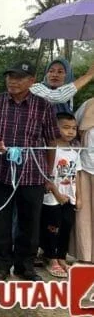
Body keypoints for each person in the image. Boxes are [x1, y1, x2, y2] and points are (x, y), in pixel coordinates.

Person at [0, 61, 58, 282]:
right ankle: (1, 266)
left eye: (19, 77)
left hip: (32, 174)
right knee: (0, 222)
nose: (13, 81)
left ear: (31, 81)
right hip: (0, 172)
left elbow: (51, 142)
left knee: (30, 222)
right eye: (10, 76)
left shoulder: (43, 106)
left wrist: (48, 174)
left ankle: (25, 266)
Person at [40, 112, 78, 278]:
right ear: (55, 129)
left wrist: (79, 196)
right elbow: (47, 176)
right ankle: (50, 257)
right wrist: (57, 194)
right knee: (52, 227)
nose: (70, 131)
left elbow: (77, 174)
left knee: (66, 226)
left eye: (74, 128)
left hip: (69, 197)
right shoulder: (50, 150)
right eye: (66, 127)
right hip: (52, 198)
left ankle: (61, 257)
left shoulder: (75, 151)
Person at [30, 59, 94, 114]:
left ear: (68, 75)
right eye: (51, 71)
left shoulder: (68, 96)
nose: (54, 75)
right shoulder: (35, 88)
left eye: (60, 72)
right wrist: (88, 75)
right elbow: (57, 96)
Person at [75, 100, 94, 264]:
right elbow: (74, 129)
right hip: (87, 168)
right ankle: (86, 255)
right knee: (85, 217)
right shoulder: (88, 105)